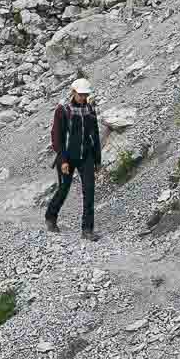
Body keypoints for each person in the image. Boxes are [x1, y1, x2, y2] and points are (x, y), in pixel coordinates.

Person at [45, 77, 102, 240]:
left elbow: (95, 135)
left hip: (86, 156)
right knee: (64, 189)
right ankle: (50, 216)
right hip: (67, 157)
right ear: (73, 92)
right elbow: (57, 137)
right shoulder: (63, 109)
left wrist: (97, 160)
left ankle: (87, 230)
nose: (83, 97)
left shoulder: (90, 109)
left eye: (85, 94)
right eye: (80, 94)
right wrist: (62, 160)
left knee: (89, 191)